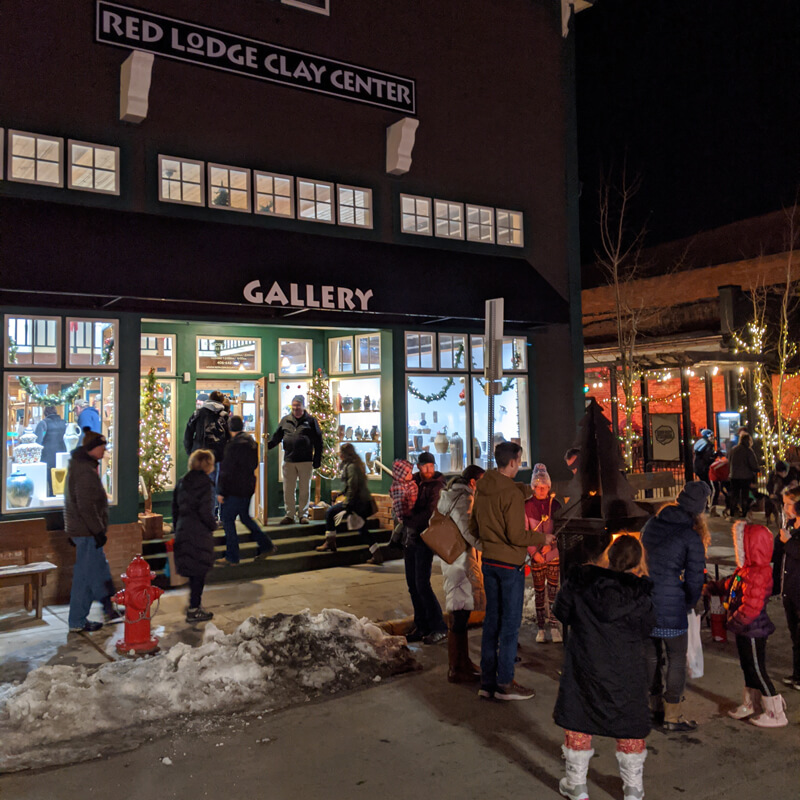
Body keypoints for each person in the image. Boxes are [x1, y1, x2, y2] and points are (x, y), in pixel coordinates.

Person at [554, 535, 655, 800]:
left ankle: (576, 785)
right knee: (629, 722)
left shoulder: (580, 583)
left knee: (580, 717)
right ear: (637, 562)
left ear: (608, 557)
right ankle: (633, 789)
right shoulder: (640, 594)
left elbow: (561, 612)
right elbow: (648, 629)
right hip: (626, 670)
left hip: (586, 663)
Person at [469, 441, 541, 701]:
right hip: (510, 565)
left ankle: (487, 682)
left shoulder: (484, 488)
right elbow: (517, 534)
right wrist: (544, 539)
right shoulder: (509, 494)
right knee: (510, 625)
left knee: (492, 622)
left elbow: (473, 526)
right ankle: (505, 682)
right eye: (520, 460)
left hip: (489, 562)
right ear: (513, 462)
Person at [640, 481, 708, 731]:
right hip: (671, 603)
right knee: (676, 657)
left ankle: (652, 706)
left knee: (650, 655)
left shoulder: (652, 523)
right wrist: (689, 602)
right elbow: (695, 577)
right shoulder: (690, 535)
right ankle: (672, 716)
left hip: (645, 600)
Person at [705, 522, 787, 727]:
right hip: (743, 629)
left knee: (757, 669)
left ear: (751, 546)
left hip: (752, 630)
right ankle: (751, 704)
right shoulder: (746, 570)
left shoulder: (759, 573)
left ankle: (776, 712)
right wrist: (712, 588)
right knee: (748, 667)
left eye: (741, 543)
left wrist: (732, 621)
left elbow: (751, 608)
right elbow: (730, 584)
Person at [436, 464, 486, 683]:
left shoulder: (451, 495)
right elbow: (469, 532)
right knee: (458, 615)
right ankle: (457, 667)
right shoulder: (463, 498)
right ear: (473, 482)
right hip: (459, 562)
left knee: (461, 614)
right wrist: (491, 547)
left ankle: (463, 662)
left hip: (454, 560)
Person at [66, 430, 118, 632]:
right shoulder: (84, 471)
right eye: (102, 446)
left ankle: (104, 611)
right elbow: (86, 506)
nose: (104, 449)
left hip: (84, 531)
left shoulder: (82, 467)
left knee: (95, 573)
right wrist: (98, 531)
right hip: (87, 533)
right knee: (86, 577)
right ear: (92, 448)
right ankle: (78, 620)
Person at [215, 415, 278, 567]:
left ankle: (232, 556)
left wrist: (221, 492)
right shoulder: (251, 443)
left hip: (233, 489)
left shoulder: (232, 445)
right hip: (248, 486)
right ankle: (266, 545)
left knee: (228, 520)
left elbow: (226, 470)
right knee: (245, 517)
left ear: (229, 428)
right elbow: (254, 465)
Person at [401, 452, 448, 645]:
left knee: (422, 584)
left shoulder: (437, 486)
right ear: (418, 466)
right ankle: (421, 625)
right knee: (412, 584)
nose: (428, 470)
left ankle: (438, 626)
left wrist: (409, 520)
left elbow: (431, 512)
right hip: (410, 538)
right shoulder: (412, 482)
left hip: (425, 538)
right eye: (424, 466)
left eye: (431, 466)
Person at [173, 449, 217, 623]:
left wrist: (177, 528)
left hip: (184, 530)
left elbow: (175, 508)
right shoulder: (205, 484)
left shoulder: (182, 482)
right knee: (199, 571)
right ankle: (194, 607)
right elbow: (205, 511)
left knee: (193, 570)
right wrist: (212, 525)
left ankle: (194, 604)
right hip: (198, 533)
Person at [267, 395, 322, 525]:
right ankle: (289, 515)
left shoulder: (311, 421)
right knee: (288, 489)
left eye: (298, 405)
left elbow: (318, 441)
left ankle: (303, 515)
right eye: (294, 405)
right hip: (289, 460)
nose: (296, 408)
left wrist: (317, 459)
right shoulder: (285, 420)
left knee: (304, 489)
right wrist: (265, 447)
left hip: (306, 461)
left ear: (303, 406)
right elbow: (277, 437)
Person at [524, 463, 563, 643]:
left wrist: (552, 545)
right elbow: (525, 532)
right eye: (538, 487)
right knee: (539, 591)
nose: (541, 491)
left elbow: (561, 530)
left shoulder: (555, 505)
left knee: (554, 591)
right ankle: (541, 627)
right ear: (533, 487)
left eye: (544, 487)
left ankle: (554, 626)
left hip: (553, 555)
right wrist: (534, 552)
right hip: (537, 556)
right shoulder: (527, 506)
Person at [316, 443, 374, 553]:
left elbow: (353, 486)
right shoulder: (354, 464)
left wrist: (347, 504)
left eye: (341, 453)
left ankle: (330, 542)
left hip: (357, 502)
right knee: (362, 528)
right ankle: (376, 553)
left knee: (330, 512)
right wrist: (340, 494)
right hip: (361, 501)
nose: (339, 455)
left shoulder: (351, 466)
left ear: (345, 454)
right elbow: (351, 485)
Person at [183, 390, 230, 518]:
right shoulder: (224, 415)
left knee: (197, 483)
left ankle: (200, 513)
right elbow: (229, 436)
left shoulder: (198, 413)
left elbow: (188, 433)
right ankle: (214, 514)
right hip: (217, 456)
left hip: (199, 454)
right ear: (221, 402)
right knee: (215, 484)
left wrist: (190, 451)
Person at [778, 486, 800, 692]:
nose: (785, 508)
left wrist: (789, 541)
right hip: (790, 590)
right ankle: (797, 674)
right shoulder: (791, 526)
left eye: (788, 504)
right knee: (795, 636)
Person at [34, 405, 67, 495]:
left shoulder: (43, 423)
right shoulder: (64, 423)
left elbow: (38, 442)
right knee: (61, 486)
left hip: (47, 460)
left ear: (45, 413)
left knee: (50, 486)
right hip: (63, 459)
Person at [729, 432, 760, 519]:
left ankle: (732, 512)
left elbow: (729, 461)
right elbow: (753, 464)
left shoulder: (734, 449)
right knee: (744, 495)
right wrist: (756, 469)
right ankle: (744, 513)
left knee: (734, 495)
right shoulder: (748, 451)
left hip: (734, 476)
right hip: (745, 476)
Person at [692, 428, 715, 498]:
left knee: (704, 484)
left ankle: (704, 501)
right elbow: (707, 457)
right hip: (704, 468)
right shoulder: (708, 445)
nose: (713, 438)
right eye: (712, 436)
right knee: (709, 487)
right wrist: (714, 457)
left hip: (698, 467)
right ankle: (707, 503)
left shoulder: (701, 442)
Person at [708, 450, 730, 518]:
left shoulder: (724, 462)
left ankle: (713, 509)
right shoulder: (724, 463)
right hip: (715, 477)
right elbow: (713, 467)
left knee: (718, 491)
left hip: (720, 477)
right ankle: (712, 509)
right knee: (716, 491)